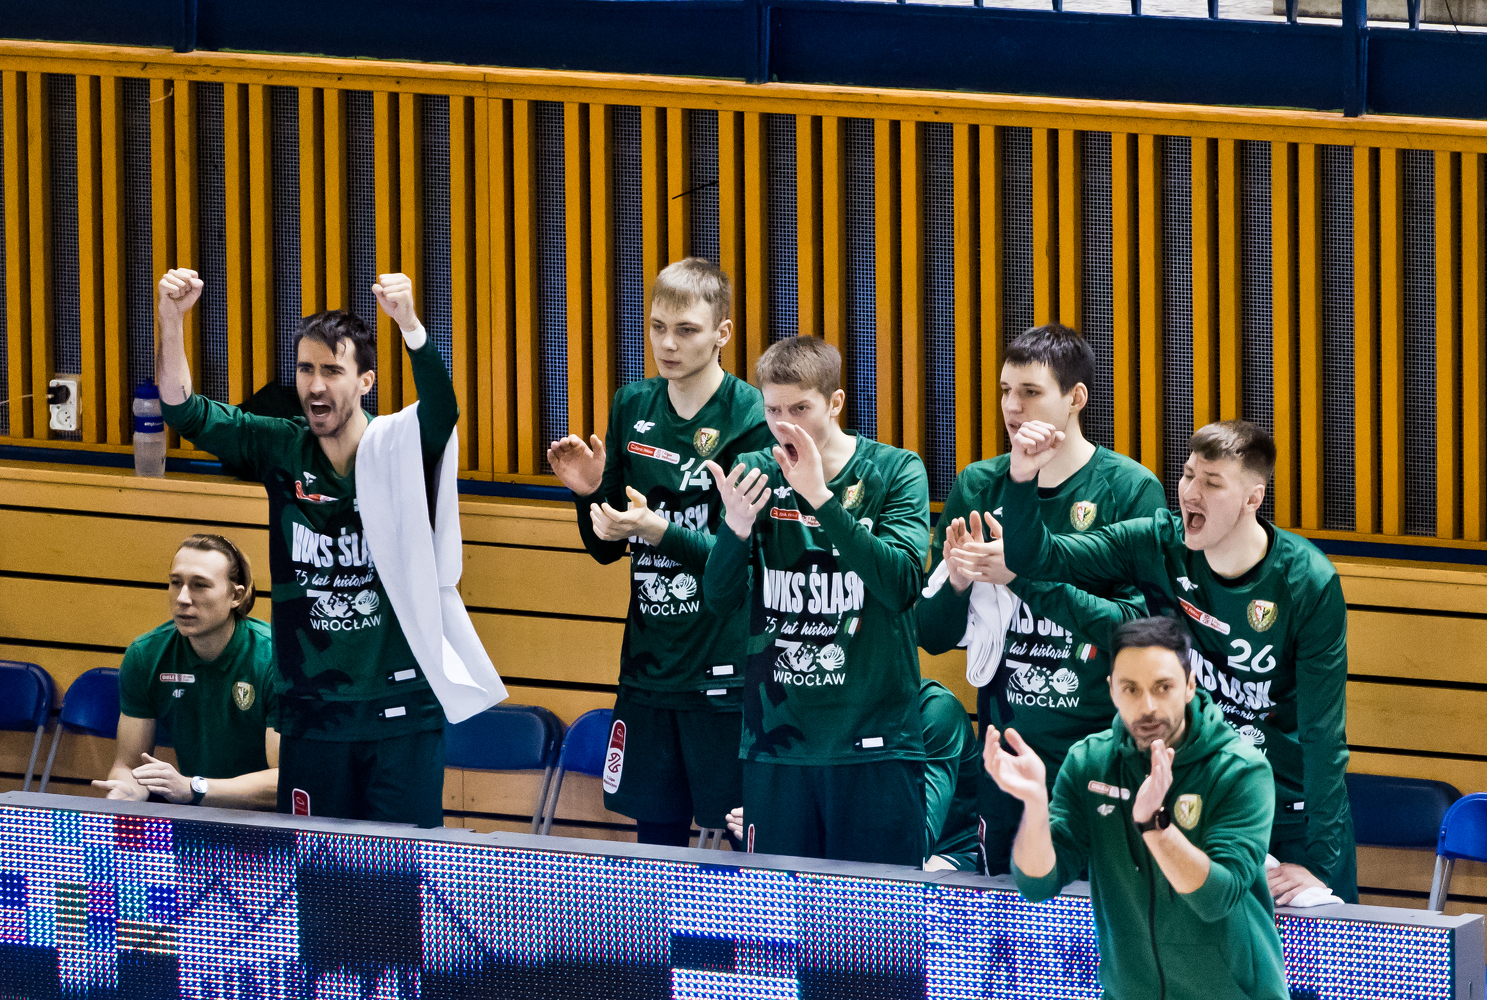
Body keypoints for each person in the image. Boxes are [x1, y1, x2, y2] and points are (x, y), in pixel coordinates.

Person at [1001, 418, 1354, 903]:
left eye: (1212, 482)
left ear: (1253, 498)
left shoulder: (1307, 582)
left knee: (1312, 951)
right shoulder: (1155, 543)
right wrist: (1023, 477)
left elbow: (1323, 737)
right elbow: (1035, 557)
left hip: (1291, 816)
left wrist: (1320, 866)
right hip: (1199, 800)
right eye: (1188, 475)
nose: (1190, 492)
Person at [155, 267, 458, 827]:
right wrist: (170, 321)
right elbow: (183, 409)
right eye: (305, 369)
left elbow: (442, 411)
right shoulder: (281, 446)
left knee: (400, 875)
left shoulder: (398, 447)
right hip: (311, 715)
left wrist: (411, 326)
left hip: (402, 713)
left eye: (332, 371)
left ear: (365, 381)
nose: (315, 385)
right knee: (319, 874)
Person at [916, 323, 1166, 875]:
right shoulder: (978, 485)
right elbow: (930, 635)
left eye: (1030, 392)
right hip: (1007, 753)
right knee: (1006, 915)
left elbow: (1139, 632)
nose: (1012, 406)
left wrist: (1019, 576)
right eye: (1006, 390)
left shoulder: (1129, 489)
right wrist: (957, 581)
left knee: (1096, 914)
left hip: (1098, 755)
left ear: (1075, 398)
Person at [546, 259, 773, 848]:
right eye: (657, 328)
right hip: (649, 668)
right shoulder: (632, 405)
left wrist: (659, 530)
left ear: (722, 333)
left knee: (743, 838)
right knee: (656, 848)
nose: (667, 344)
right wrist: (589, 493)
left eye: (686, 330)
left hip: (724, 672)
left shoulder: (752, 416)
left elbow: (743, 561)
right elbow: (604, 548)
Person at [703, 335, 930, 866]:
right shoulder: (754, 470)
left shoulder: (897, 470)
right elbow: (718, 600)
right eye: (773, 410)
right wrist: (735, 530)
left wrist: (821, 499)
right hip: (778, 744)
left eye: (800, 409)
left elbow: (900, 586)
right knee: (776, 913)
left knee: (880, 913)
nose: (785, 425)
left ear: (835, 402)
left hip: (874, 742)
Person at [987, 616, 1289, 1000]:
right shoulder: (1088, 763)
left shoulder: (1240, 770)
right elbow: (1038, 884)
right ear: (1111, 690)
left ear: (1190, 685)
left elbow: (1216, 898)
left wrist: (1153, 825)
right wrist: (1034, 806)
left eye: (1163, 687)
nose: (1147, 707)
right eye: (1130, 689)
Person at [93, 534, 279, 808]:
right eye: (176, 582)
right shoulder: (146, 655)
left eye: (200, 585)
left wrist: (194, 787)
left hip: (270, 819)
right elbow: (128, 764)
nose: (182, 598)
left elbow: (284, 780)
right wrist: (128, 791)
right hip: (195, 812)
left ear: (236, 596)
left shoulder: (275, 658)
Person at [724, 676, 980, 870]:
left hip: (944, 856)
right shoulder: (823, 715)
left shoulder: (935, 710)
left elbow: (913, 845)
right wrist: (774, 824)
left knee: (895, 875)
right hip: (851, 849)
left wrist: (786, 823)